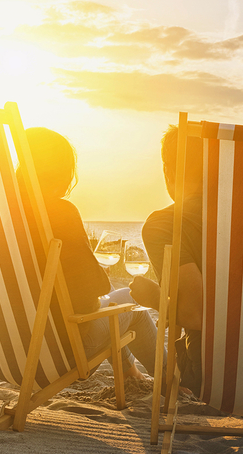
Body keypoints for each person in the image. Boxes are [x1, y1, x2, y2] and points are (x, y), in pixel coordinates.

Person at [19, 127, 157, 384]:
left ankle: (131, 375)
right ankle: (172, 381)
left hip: (8, 347)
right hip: (57, 355)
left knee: (113, 306)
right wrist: (96, 274)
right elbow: (89, 299)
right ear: (63, 172)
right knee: (132, 306)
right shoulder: (60, 213)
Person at [129, 125, 204, 395]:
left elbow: (195, 313)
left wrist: (155, 298)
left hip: (212, 372)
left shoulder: (165, 224)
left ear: (168, 171)